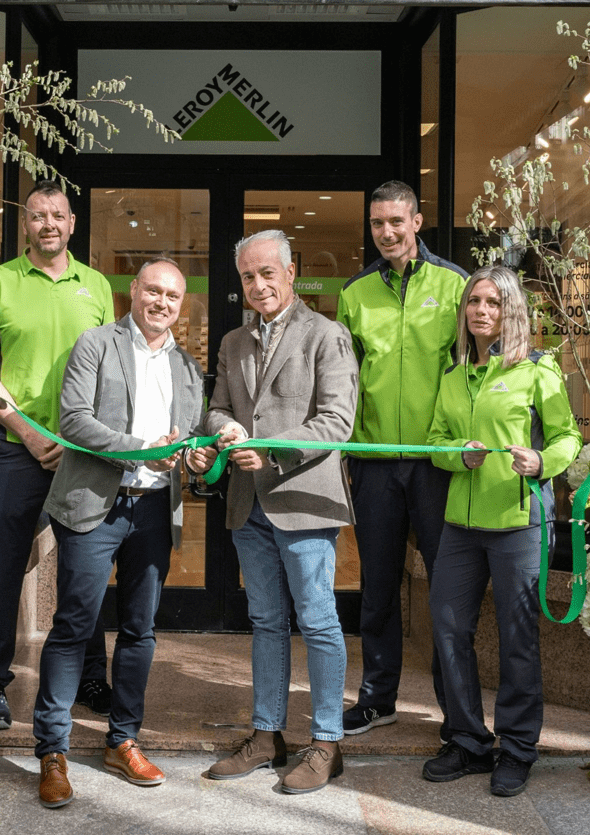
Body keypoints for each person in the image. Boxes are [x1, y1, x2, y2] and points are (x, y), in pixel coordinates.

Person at [33, 258, 214, 808]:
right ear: (133, 291)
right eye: (153, 291)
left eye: (172, 296)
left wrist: (197, 459)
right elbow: (74, 420)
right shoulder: (96, 344)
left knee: (140, 630)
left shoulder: (187, 368)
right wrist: (143, 450)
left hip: (154, 512)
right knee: (73, 625)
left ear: (182, 306)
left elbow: (192, 439)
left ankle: (123, 740)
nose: (161, 303)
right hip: (93, 507)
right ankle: (52, 751)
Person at [203, 230, 358, 795]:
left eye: (267, 273)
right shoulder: (233, 341)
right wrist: (226, 428)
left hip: (304, 502)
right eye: (248, 276)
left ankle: (327, 743)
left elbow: (337, 422)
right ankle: (267, 735)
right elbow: (216, 409)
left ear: (291, 273)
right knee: (267, 622)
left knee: (318, 621)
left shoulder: (327, 334)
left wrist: (269, 450)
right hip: (248, 504)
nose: (258, 285)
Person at [422, 264, 581, 797]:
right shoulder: (452, 374)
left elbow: (567, 438)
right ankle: (467, 741)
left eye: (493, 302)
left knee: (517, 640)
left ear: (511, 311)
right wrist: (455, 454)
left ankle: (516, 749)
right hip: (460, 526)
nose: (481, 311)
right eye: (474, 301)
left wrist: (541, 461)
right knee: (448, 628)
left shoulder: (538, 370)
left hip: (518, 524)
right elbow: (436, 440)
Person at [0, 180, 114, 730]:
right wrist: (28, 434)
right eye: (37, 216)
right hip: (15, 446)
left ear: (72, 223)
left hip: (82, 450)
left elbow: (110, 373)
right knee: (4, 568)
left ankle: (91, 677)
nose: (48, 224)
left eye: (57, 215)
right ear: (25, 224)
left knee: (85, 570)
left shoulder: (97, 286)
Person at [336, 180, 468, 737]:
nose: (386, 232)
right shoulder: (355, 293)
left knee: (447, 588)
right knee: (379, 588)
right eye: (377, 223)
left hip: (437, 463)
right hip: (373, 462)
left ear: (417, 221)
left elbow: (471, 368)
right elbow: (343, 382)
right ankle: (377, 698)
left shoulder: (456, 285)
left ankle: (455, 711)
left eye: (396, 221)